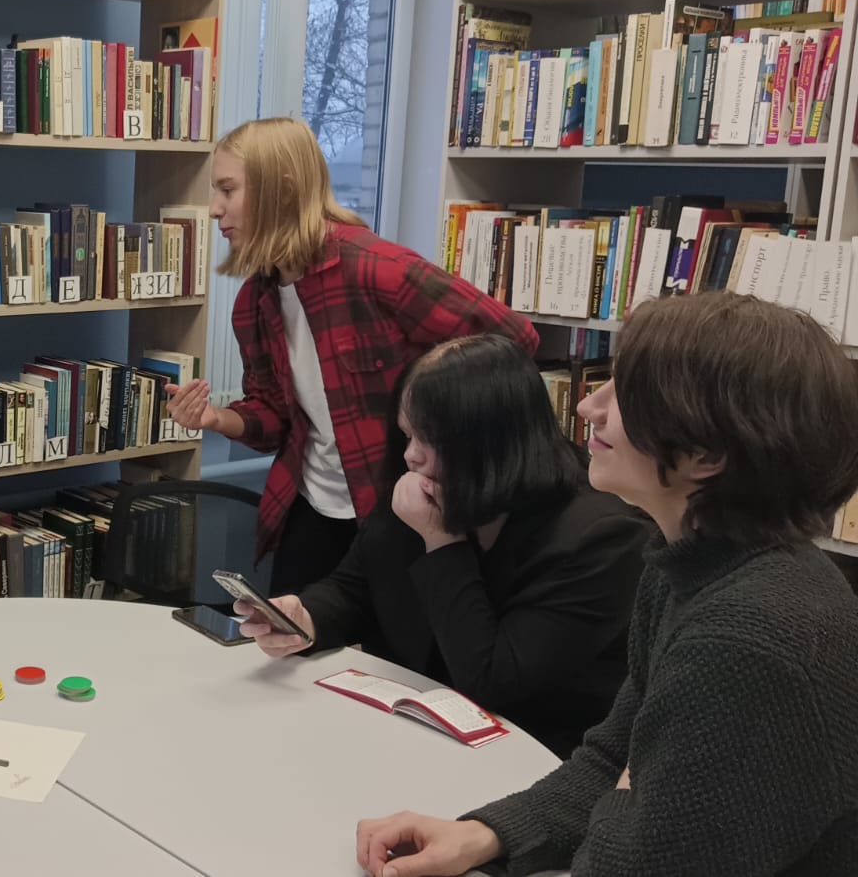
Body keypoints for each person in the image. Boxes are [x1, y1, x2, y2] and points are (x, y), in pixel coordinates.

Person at [355, 292, 858, 877]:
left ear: (705, 454)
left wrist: (628, 788)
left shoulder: (745, 640)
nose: (588, 404)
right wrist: (485, 833)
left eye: (625, 394)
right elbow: (611, 757)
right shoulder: (689, 565)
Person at [166, 117, 538, 597]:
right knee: (288, 633)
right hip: (313, 506)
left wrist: (438, 436)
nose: (215, 208)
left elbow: (514, 339)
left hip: (402, 510)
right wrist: (215, 418)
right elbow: (275, 417)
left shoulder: (375, 269)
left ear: (283, 189)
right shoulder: (254, 303)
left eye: (227, 189)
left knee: (390, 645)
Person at [237, 335, 649, 757]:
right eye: (407, 435)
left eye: (429, 438)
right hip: (416, 737)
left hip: (535, 756)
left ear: (492, 441)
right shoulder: (433, 485)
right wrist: (304, 617)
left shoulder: (601, 538)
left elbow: (491, 682)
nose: (411, 456)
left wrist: (440, 540)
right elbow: (353, 587)